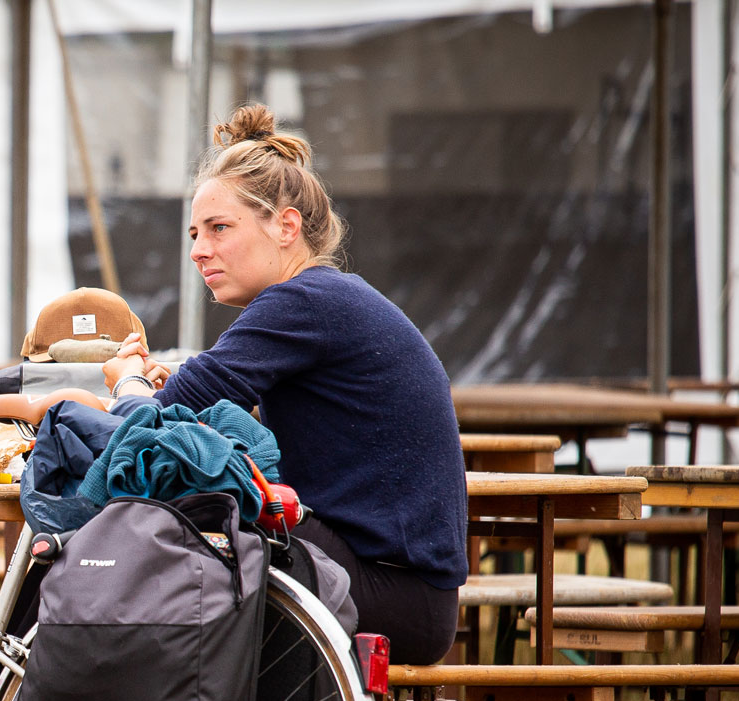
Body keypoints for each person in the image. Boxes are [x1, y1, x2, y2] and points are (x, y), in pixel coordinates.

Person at [102, 103, 467, 664]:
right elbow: (203, 400)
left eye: (220, 228)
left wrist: (127, 383)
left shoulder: (304, 302)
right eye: (195, 233)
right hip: (400, 586)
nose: (199, 249)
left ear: (286, 227)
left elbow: (151, 423)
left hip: (392, 593)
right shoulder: (324, 297)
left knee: (177, 507)